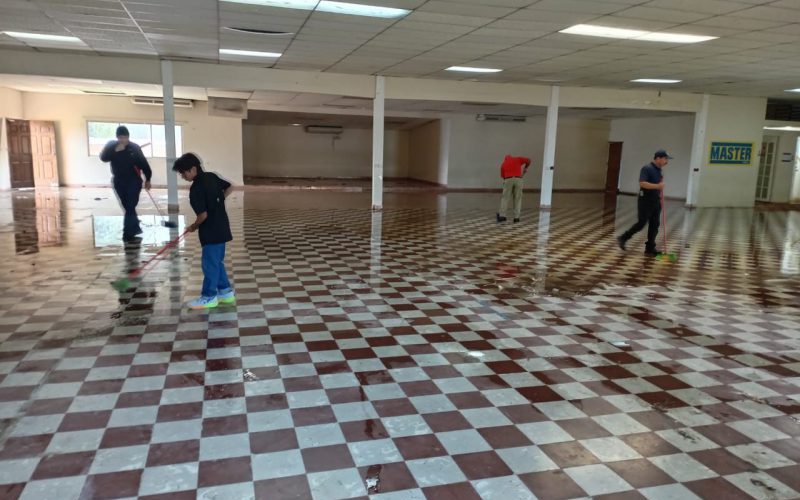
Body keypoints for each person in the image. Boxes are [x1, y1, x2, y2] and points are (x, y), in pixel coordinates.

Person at [172, 153, 235, 309]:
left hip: (210, 231)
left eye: (183, 173)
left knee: (210, 265)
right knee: (216, 262)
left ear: (193, 169)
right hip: (222, 227)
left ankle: (209, 297)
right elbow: (230, 187)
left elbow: (203, 216)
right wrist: (219, 201)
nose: (183, 176)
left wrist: (193, 227)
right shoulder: (211, 177)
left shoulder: (196, 188)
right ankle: (225, 292)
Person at [100, 126, 152, 242]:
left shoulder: (134, 148)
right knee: (128, 206)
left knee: (130, 205)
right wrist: (115, 151)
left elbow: (144, 164)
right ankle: (135, 227)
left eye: (125, 137)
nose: (122, 140)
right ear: (117, 137)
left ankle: (127, 233)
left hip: (134, 181)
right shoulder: (111, 146)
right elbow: (103, 158)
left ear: (128, 137)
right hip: (119, 181)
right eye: (120, 137)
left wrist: (148, 179)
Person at [617, 149, 672, 256]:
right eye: (665, 159)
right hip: (645, 201)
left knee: (654, 225)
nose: (667, 162)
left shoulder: (659, 170)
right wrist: (658, 186)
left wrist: (658, 191)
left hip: (656, 201)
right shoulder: (647, 168)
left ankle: (650, 248)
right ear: (658, 158)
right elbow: (642, 183)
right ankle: (623, 237)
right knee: (641, 223)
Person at [496, 154, 531, 223]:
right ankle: (516, 218)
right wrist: (525, 168)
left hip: (508, 179)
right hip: (518, 179)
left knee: (505, 198)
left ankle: (502, 216)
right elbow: (529, 160)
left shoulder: (503, 164)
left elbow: (503, 177)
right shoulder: (518, 159)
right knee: (517, 199)